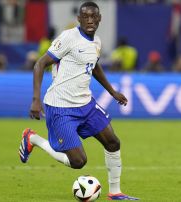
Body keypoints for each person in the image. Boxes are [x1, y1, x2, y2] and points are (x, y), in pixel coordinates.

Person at [19, 2, 139, 201]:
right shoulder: (68, 38)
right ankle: (33, 139)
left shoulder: (97, 42)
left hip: (86, 104)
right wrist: (35, 99)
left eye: (93, 17)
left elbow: (94, 66)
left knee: (113, 142)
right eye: (85, 17)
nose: (90, 20)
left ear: (99, 18)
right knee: (78, 162)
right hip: (61, 107)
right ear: (79, 19)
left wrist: (112, 91)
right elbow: (40, 64)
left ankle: (115, 192)